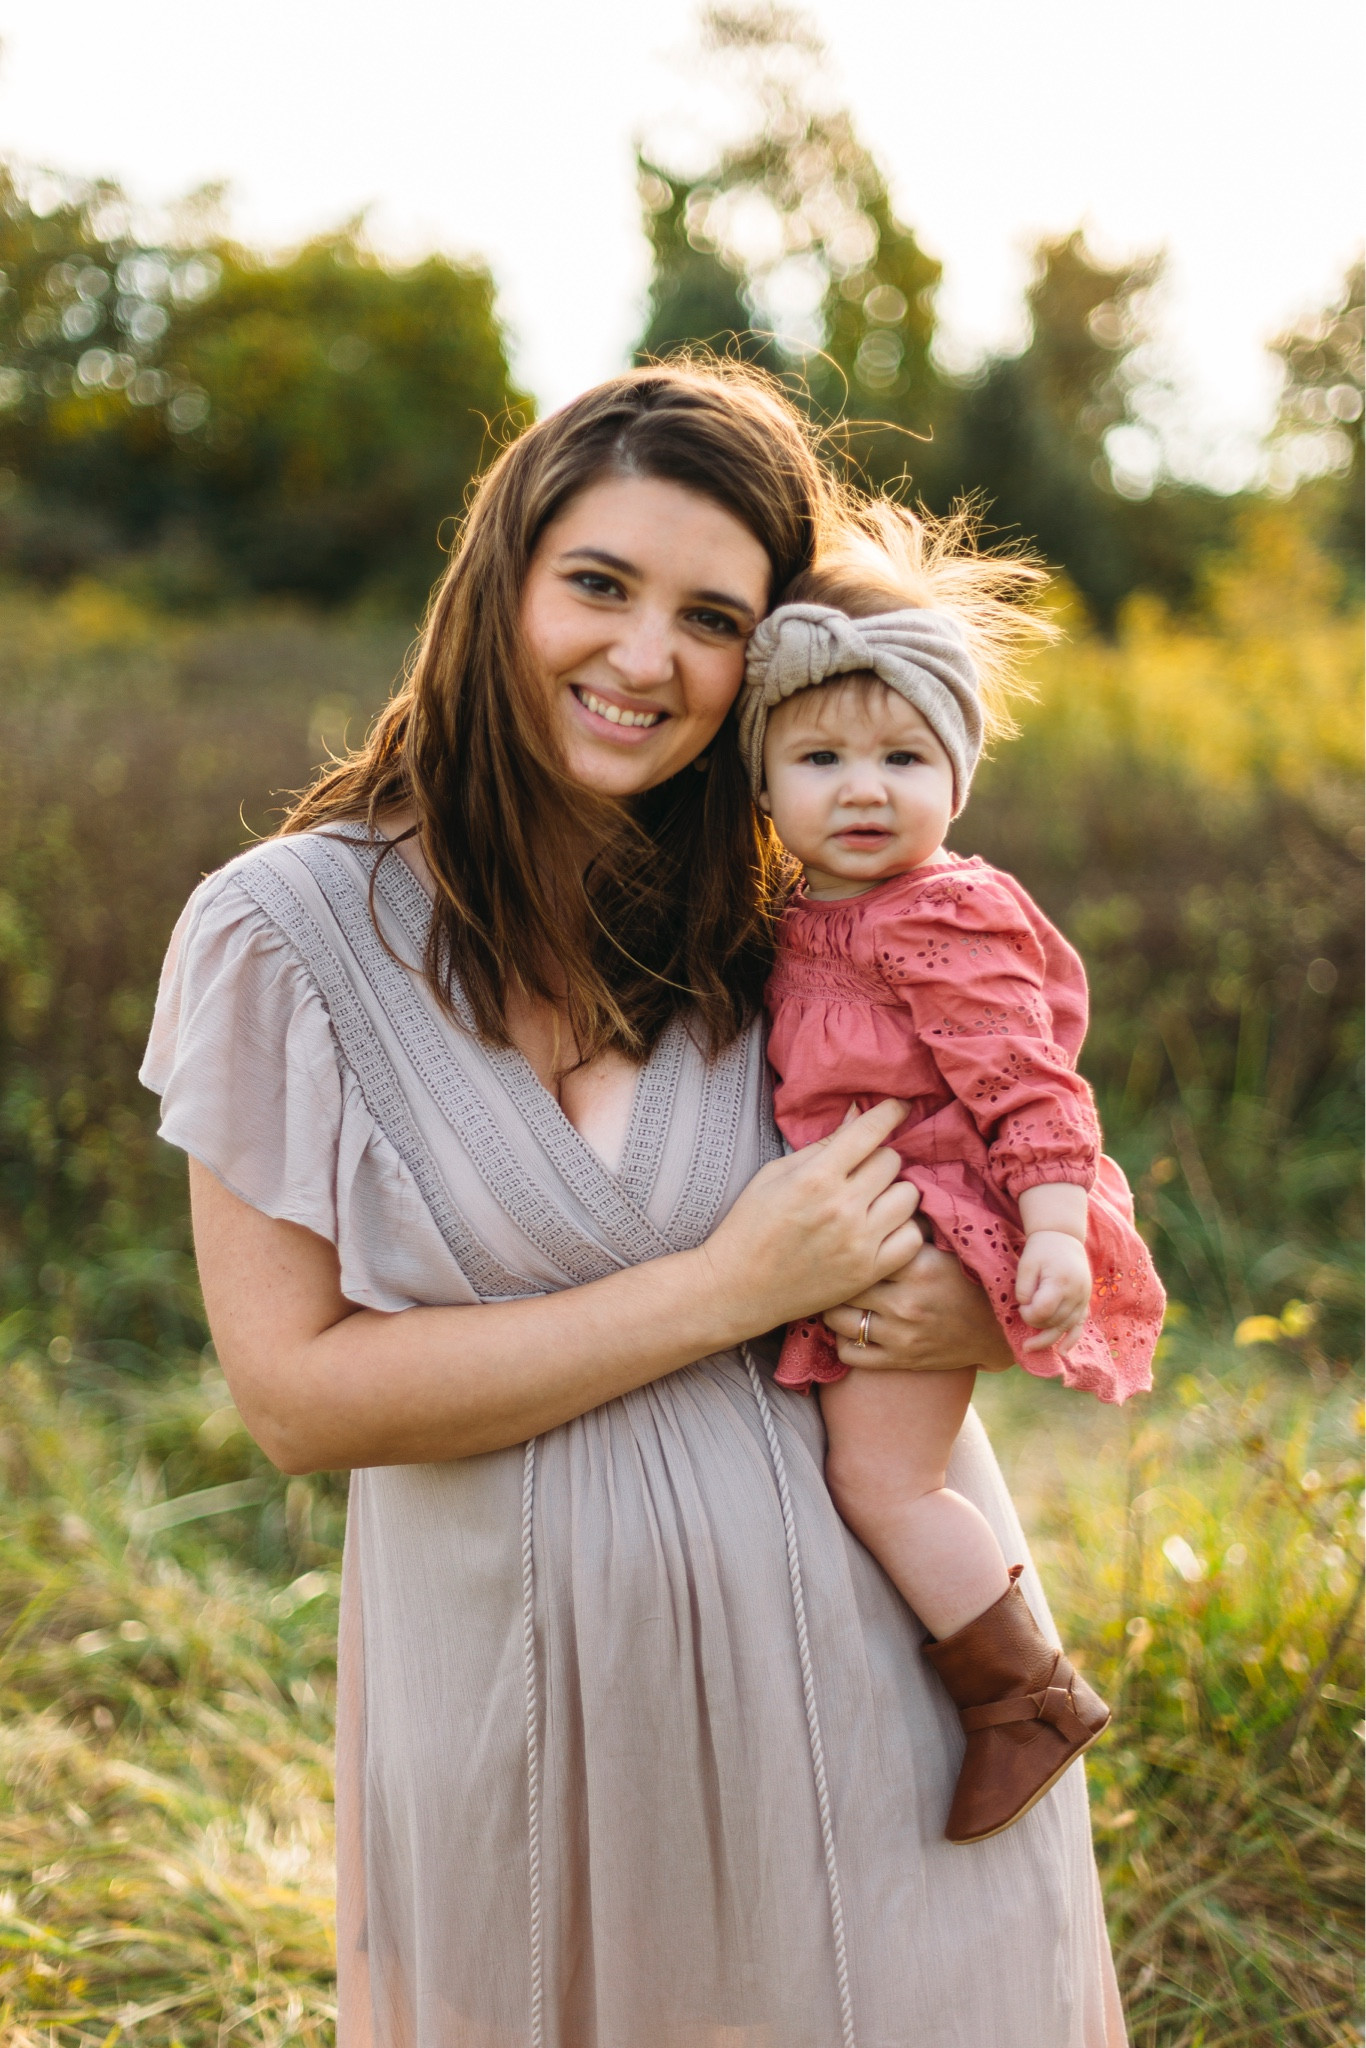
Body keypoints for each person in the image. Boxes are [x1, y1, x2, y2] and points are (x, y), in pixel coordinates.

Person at [141, 365, 1129, 2046]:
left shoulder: (799, 917)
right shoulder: (285, 940)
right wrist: (725, 1288)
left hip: (887, 1731)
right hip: (523, 1743)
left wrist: (970, 1295)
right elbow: (294, 1399)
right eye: (598, 584)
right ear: (500, 582)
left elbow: (1041, 1171)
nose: (646, 657)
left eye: (712, 617)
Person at [738, 501, 1165, 1852]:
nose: (863, 788)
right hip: (863, 1228)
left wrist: (1050, 1229)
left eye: (903, 757)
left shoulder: (940, 916)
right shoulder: (806, 914)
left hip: (943, 1232)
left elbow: (1027, 1085)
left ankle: (1019, 1694)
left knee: (886, 1486)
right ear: (761, 786)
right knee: (867, 1477)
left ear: (958, 773)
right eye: (819, 756)